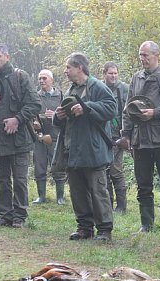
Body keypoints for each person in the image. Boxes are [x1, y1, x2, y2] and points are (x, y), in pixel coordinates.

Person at [0, 43, 41, 229]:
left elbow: (35, 104)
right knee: (2, 180)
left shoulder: (20, 77)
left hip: (19, 138)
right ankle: (4, 215)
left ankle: (19, 216)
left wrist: (17, 119)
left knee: (20, 180)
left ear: (7, 57)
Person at [121, 41, 160, 233]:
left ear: (157, 55)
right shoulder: (136, 78)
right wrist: (127, 135)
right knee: (143, 185)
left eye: (146, 55)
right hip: (141, 140)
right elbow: (128, 109)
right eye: (141, 55)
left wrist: (155, 112)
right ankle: (146, 224)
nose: (142, 59)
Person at [54, 53, 117, 241]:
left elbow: (111, 109)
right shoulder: (71, 90)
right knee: (77, 191)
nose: (65, 71)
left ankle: (104, 230)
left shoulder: (97, 86)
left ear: (79, 67)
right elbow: (62, 119)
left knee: (98, 192)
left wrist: (86, 107)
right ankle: (84, 228)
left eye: (68, 67)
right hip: (72, 150)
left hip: (93, 149)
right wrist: (59, 116)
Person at [32, 69, 67, 205]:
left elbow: (67, 116)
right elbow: (29, 113)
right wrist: (33, 122)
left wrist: (55, 116)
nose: (42, 81)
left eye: (44, 78)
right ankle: (41, 197)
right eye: (40, 79)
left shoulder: (61, 96)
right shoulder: (35, 96)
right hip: (39, 137)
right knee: (39, 167)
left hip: (56, 137)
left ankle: (60, 197)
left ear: (51, 80)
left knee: (58, 167)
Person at [102, 62, 130, 213]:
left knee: (116, 171)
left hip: (117, 137)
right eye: (110, 73)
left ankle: (121, 206)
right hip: (101, 136)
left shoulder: (124, 88)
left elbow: (130, 111)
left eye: (115, 73)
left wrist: (127, 135)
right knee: (103, 171)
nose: (113, 76)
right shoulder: (99, 88)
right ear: (104, 74)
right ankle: (107, 205)